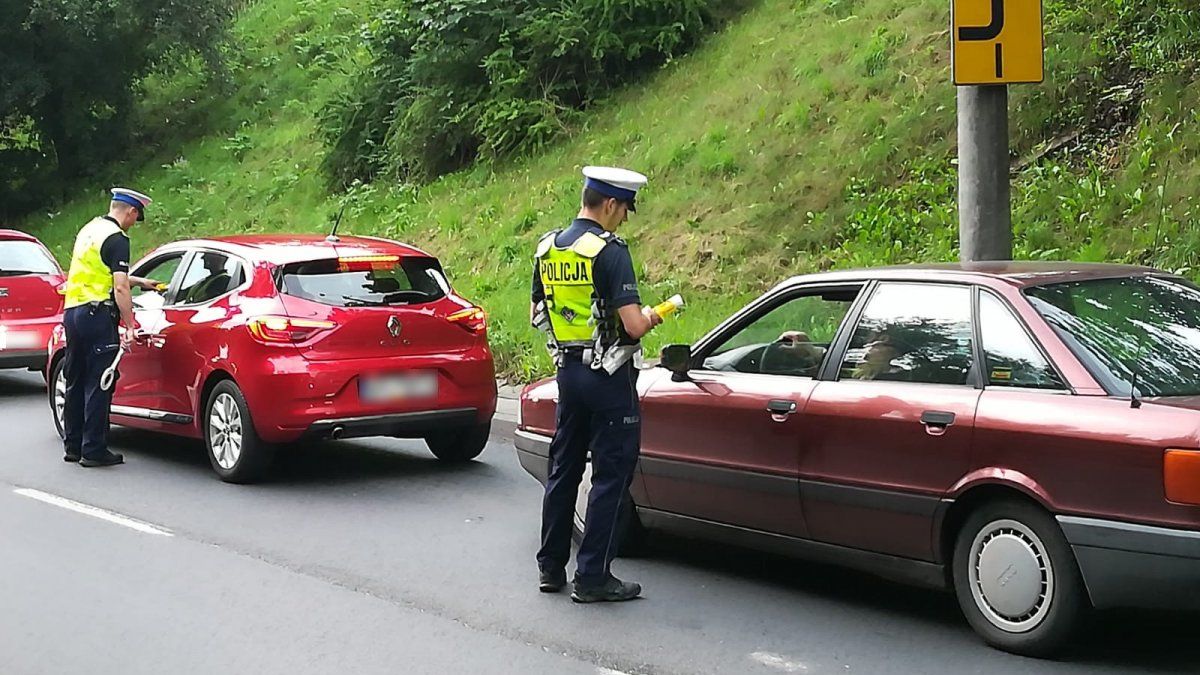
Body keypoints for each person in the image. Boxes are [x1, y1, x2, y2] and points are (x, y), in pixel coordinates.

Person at [531, 166, 663, 603]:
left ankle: (551, 567)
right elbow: (633, 325)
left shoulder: (548, 248)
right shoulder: (610, 251)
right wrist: (652, 316)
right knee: (611, 474)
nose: (624, 219)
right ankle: (592, 576)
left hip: (568, 373)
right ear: (609, 204)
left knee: (564, 466)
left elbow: (537, 314)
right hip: (609, 378)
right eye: (624, 210)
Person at [61, 187, 160, 467]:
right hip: (98, 316)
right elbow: (119, 287)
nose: (134, 223)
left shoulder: (90, 230)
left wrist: (139, 281)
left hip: (73, 312)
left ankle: (73, 446)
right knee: (100, 381)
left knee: (76, 378)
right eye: (136, 218)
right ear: (131, 211)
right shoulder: (118, 238)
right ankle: (94, 449)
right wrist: (129, 325)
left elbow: (100, 272)